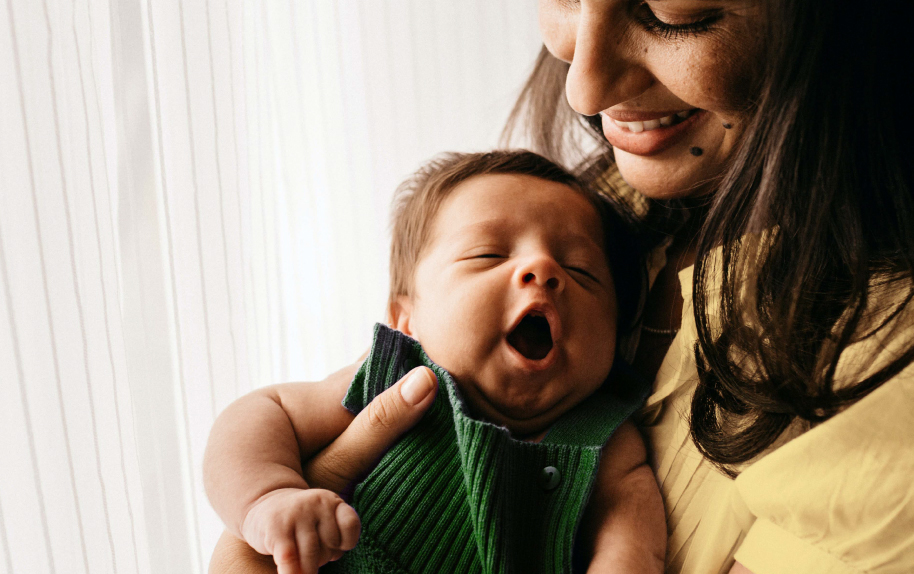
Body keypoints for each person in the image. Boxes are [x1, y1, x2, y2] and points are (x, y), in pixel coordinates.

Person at [212, 0, 914, 572]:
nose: (587, 82)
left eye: (673, 14)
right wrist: (266, 511)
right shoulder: (615, 211)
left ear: (870, 28)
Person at [204, 152, 666, 573]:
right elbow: (264, 413)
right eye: (488, 254)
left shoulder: (606, 439)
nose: (543, 269)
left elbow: (632, 544)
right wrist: (270, 497)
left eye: (581, 269)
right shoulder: (394, 380)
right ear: (406, 319)